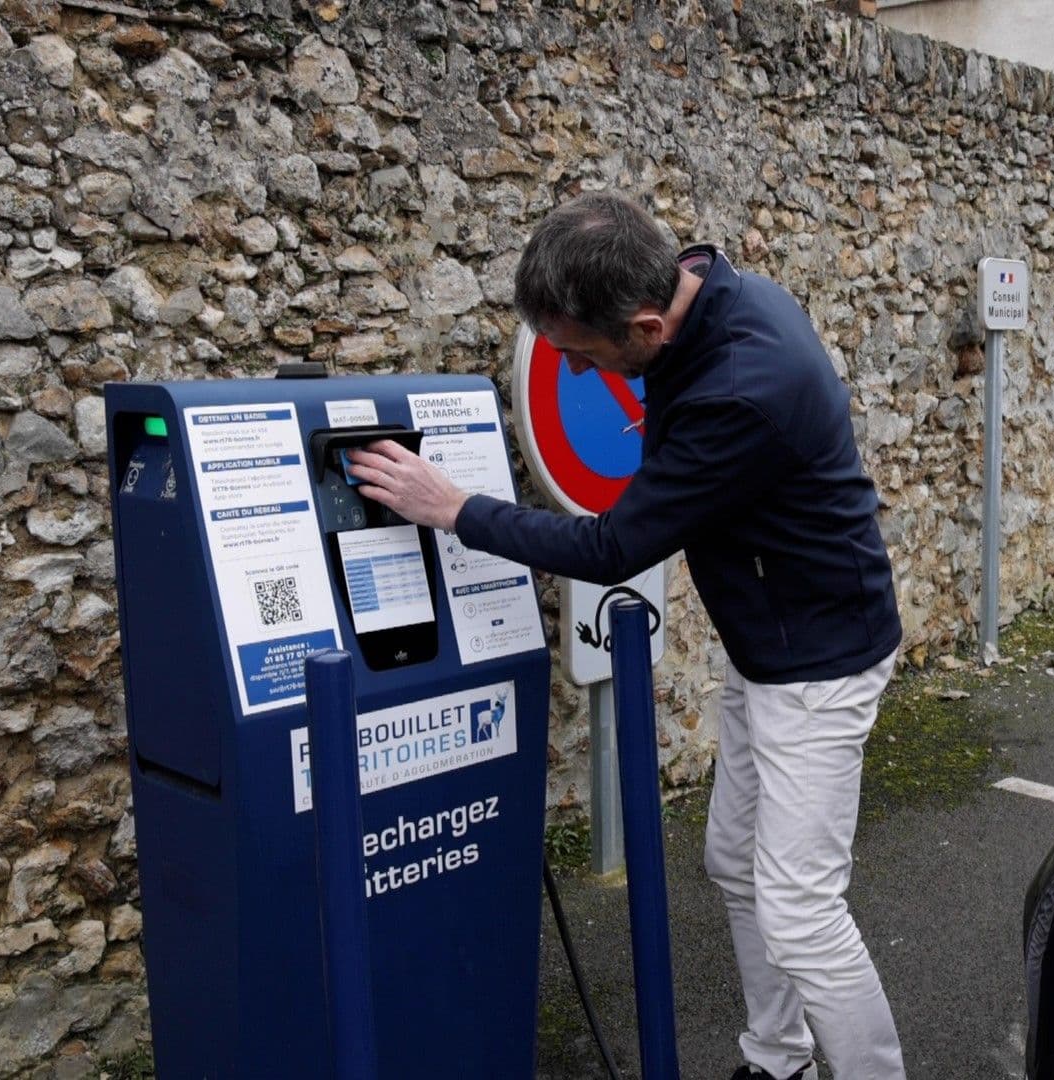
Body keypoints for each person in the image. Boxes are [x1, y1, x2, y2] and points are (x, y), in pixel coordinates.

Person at [346, 191, 907, 1080]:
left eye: (581, 356)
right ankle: (780, 1057)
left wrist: (453, 509)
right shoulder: (715, 292)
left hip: (819, 665)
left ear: (647, 324)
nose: (572, 376)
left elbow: (614, 545)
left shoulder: (739, 390)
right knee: (733, 861)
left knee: (801, 910)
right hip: (772, 642)